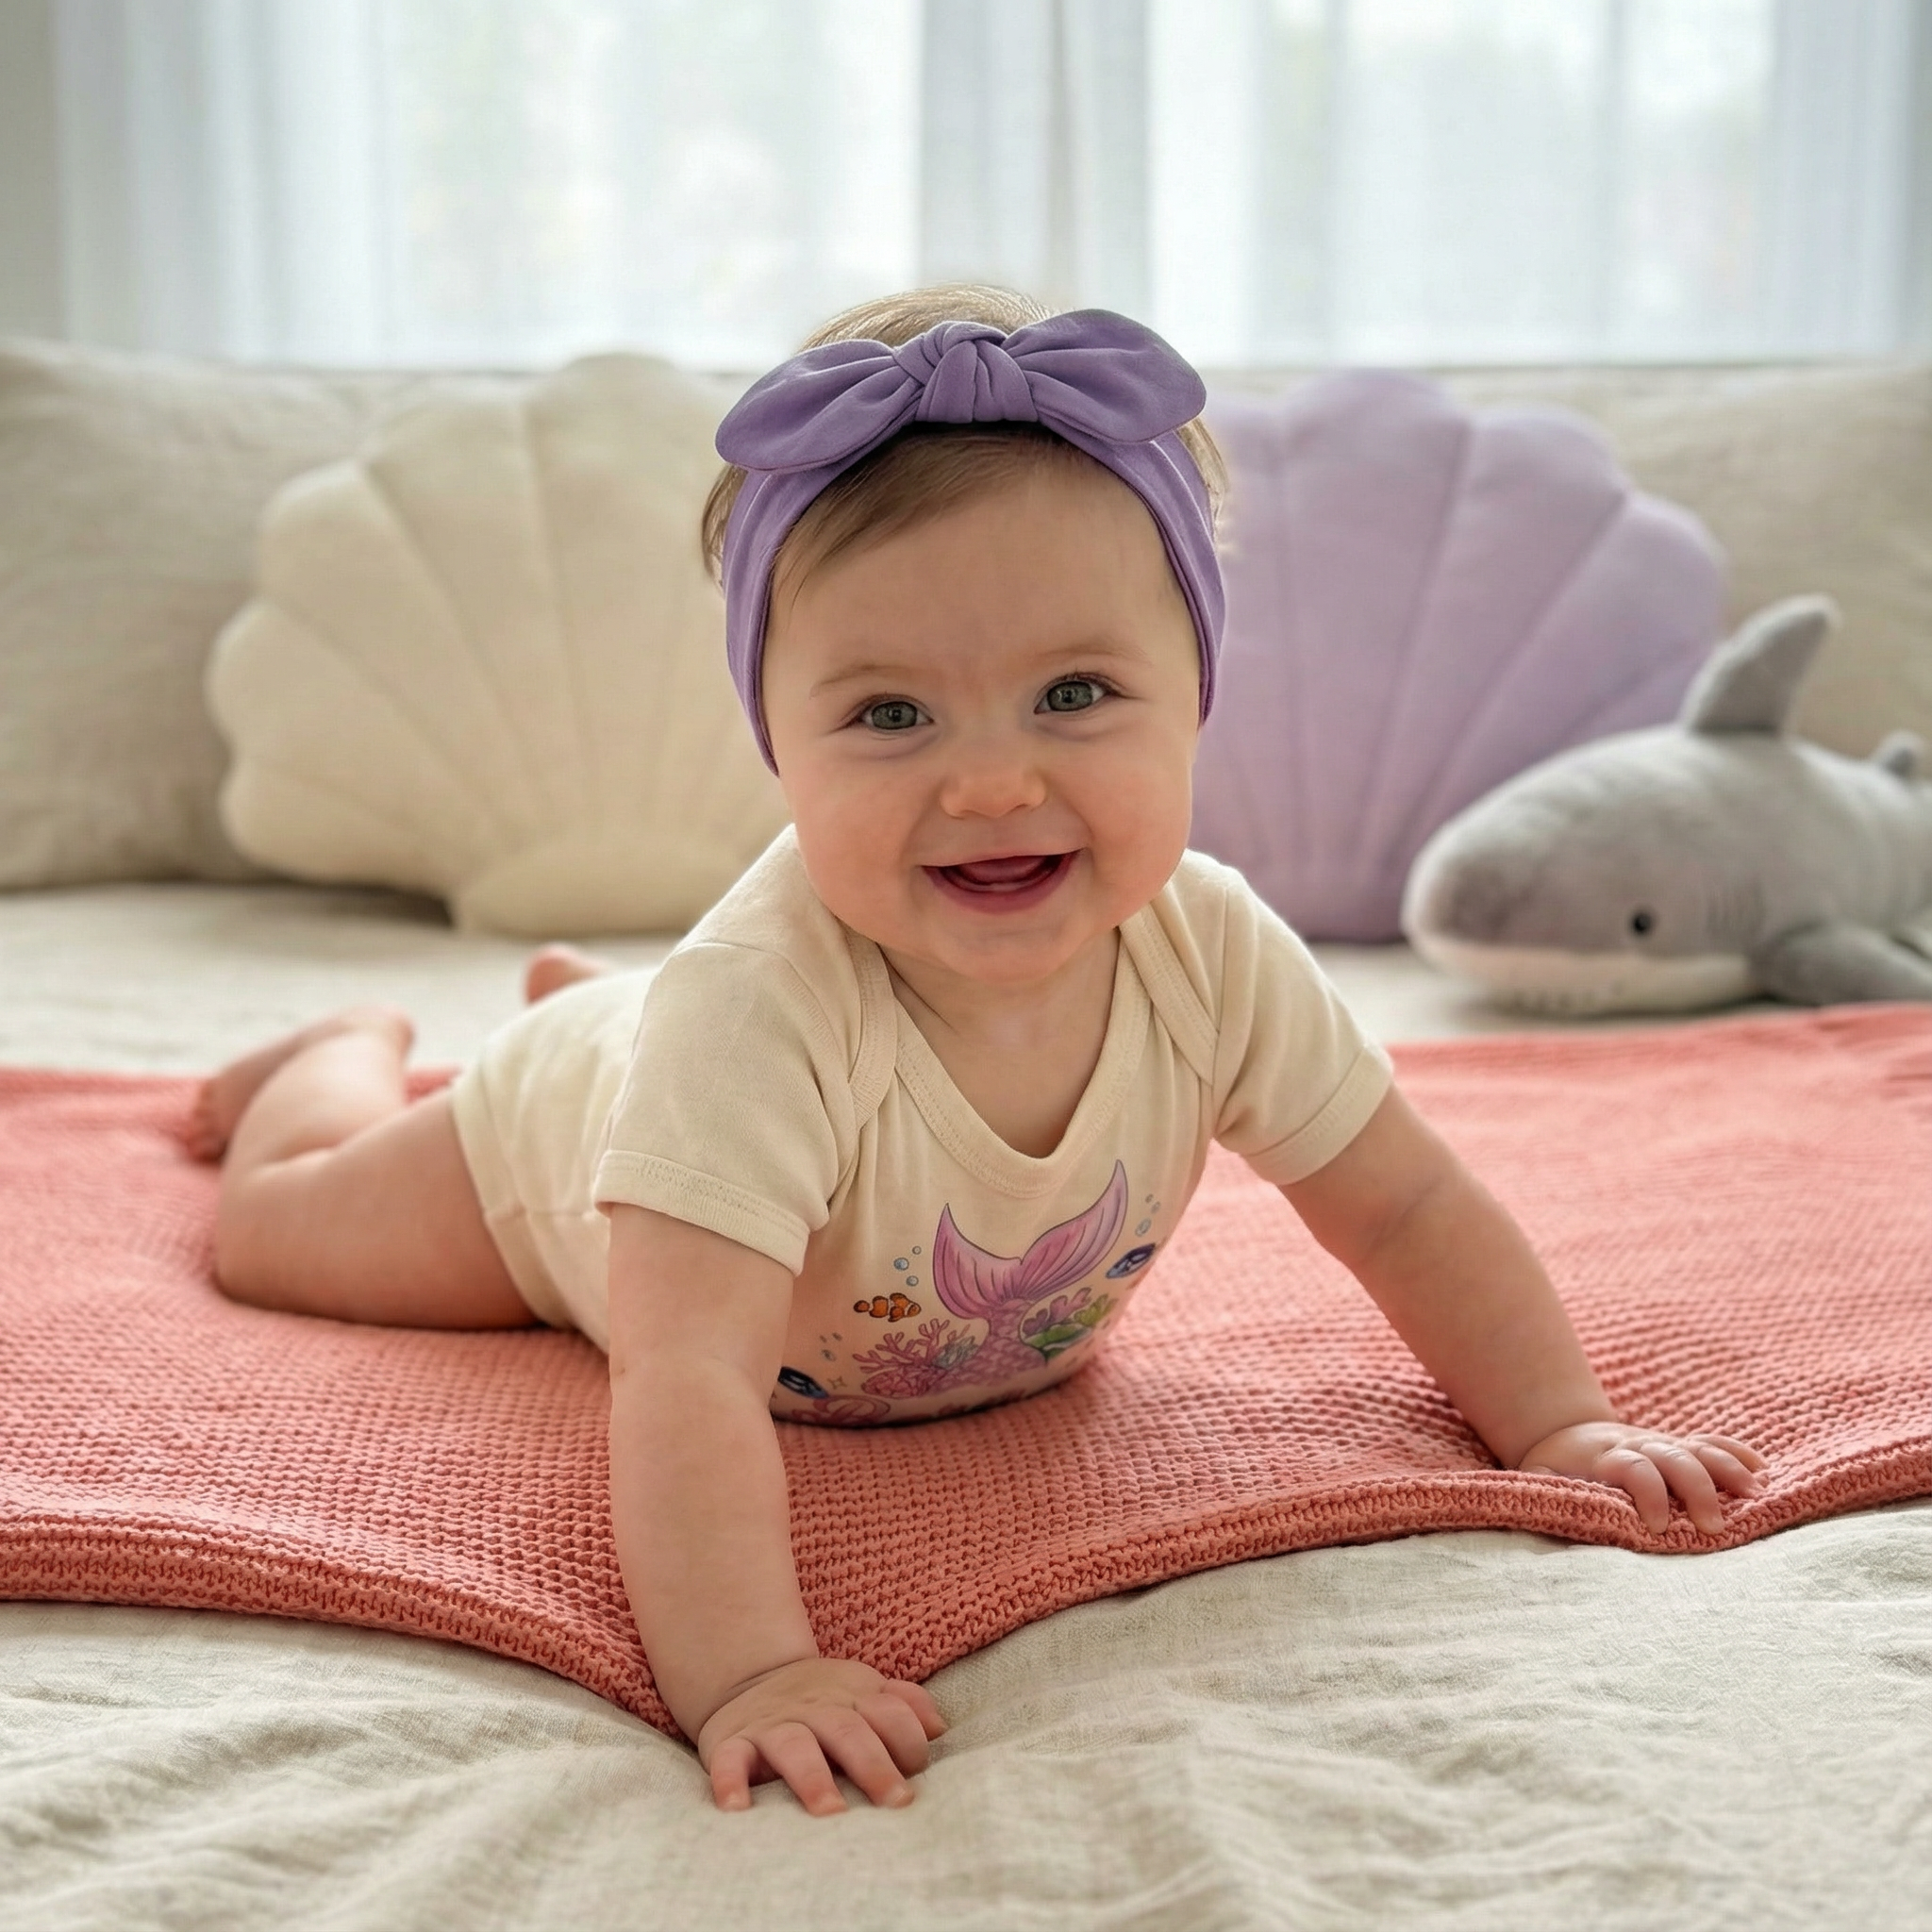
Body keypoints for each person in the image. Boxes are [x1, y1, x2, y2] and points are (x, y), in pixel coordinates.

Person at [192, 285, 1767, 1819]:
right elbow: (683, 1380)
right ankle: (344, 1046)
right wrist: (750, 1672)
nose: (995, 783)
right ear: (778, 742)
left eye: (1075, 694)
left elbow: (1409, 1208)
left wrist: (1558, 1422)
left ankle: (581, 997)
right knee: (275, 1231)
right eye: (890, 717)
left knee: (663, 1044)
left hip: (699, 1087)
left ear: (1198, 700)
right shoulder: (756, 1014)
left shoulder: (1208, 951)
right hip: (556, 1158)